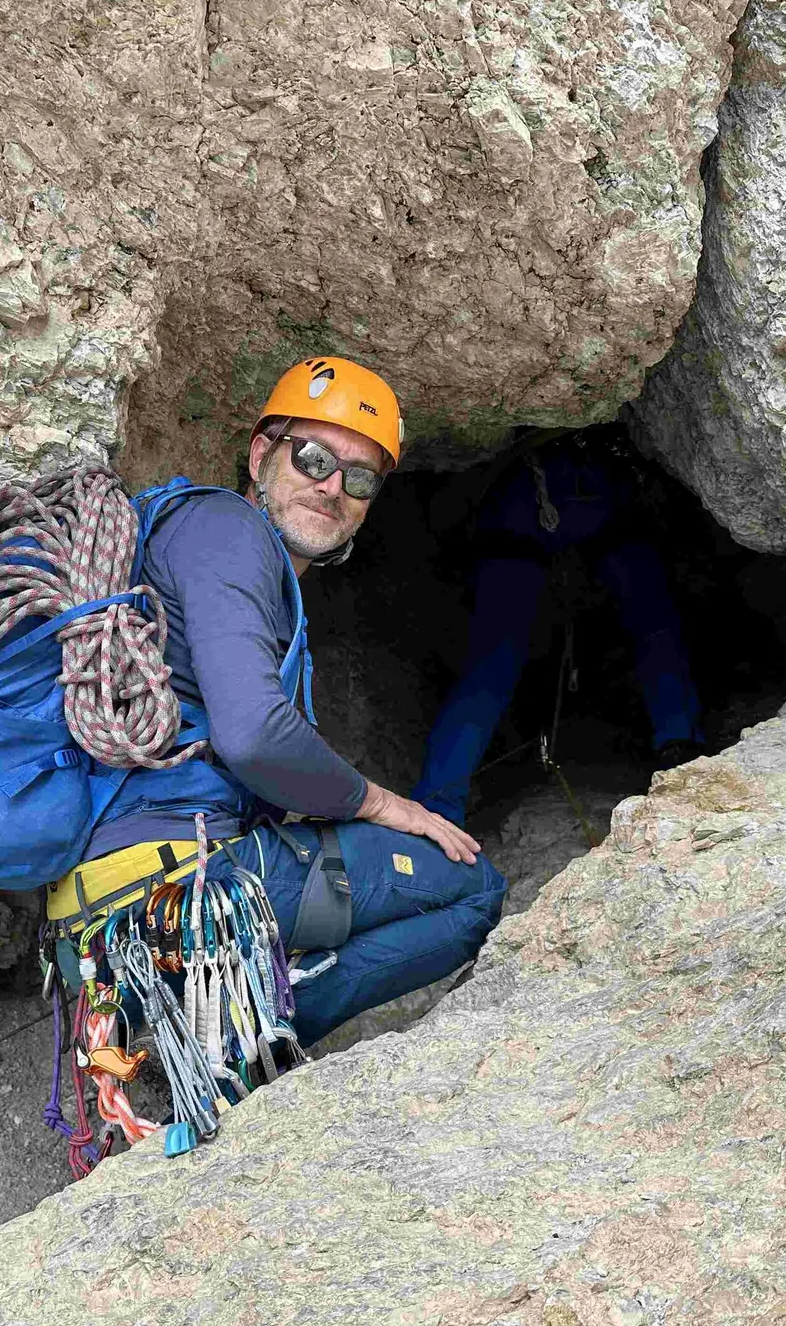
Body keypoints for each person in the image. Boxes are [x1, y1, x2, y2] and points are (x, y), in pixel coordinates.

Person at [45, 357, 507, 1048]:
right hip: (168, 897)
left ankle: (230, 1018)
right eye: (313, 458)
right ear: (261, 454)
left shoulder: (205, 541)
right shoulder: (228, 532)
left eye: (360, 478)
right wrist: (383, 804)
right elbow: (255, 734)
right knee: (473, 889)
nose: (332, 487)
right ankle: (247, 1034)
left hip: (105, 926)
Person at [411, 440, 702, 827]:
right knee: (652, 622)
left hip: (525, 491)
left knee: (494, 661)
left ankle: (437, 807)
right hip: (587, 486)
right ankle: (680, 748)